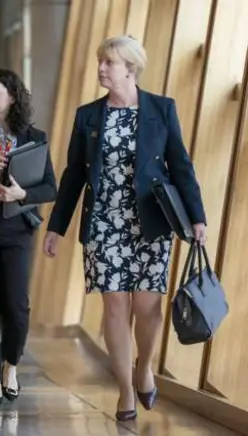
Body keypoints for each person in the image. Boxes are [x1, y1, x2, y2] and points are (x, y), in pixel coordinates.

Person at [43, 35, 206, 421]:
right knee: (115, 305)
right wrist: (57, 227)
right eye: (100, 61)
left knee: (148, 308)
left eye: (109, 62)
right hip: (104, 222)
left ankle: (144, 366)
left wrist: (197, 217)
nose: (101, 68)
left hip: (151, 221)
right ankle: (125, 390)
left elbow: (181, 166)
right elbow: (72, 177)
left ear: (130, 69)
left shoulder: (162, 110)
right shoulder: (87, 116)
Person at [0, 69, 57, 406]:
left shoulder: (35, 136)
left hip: (18, 230)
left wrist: (21, 194)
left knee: (16, 306)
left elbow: (50, 187)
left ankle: (11, 366)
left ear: (13, 96)